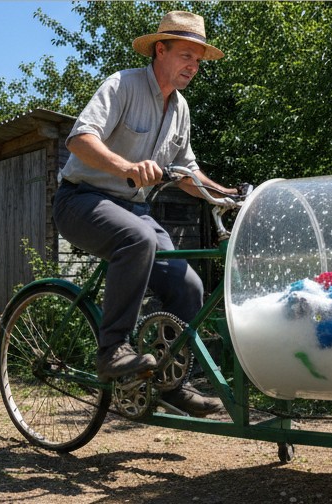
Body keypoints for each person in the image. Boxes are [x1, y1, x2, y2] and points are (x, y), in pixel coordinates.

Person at [53, 11, 236, 417]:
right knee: (135, 238)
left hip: (135, 208)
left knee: (187, 285)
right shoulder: (123, 85)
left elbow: (187, 173)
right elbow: (79, 140)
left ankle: (171, 382)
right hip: (81, 199)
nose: (193, 66)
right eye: (186, 55)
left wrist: (226, 194)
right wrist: (126, 167)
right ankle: (111, 349)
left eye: (198, 60)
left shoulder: (181, 109)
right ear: (160, 49)